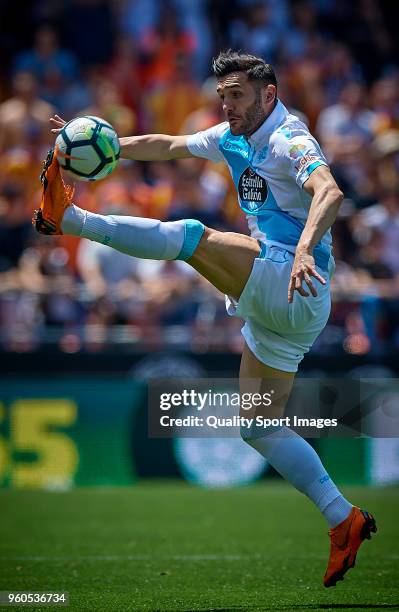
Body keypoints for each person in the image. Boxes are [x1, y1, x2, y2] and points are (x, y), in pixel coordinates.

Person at [33, 50, 376, 587]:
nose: (228, 105)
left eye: (237, 94)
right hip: (285, 307)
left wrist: (307, 247)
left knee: (192, 237)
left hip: (295, 277)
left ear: (268, 93)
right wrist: (105, 146)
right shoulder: (231, 135)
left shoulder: (290, 138)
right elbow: (168, 145)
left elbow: (329, 190)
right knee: (258, 426)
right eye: (223, 96)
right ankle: (342, 518)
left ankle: (70, 218)